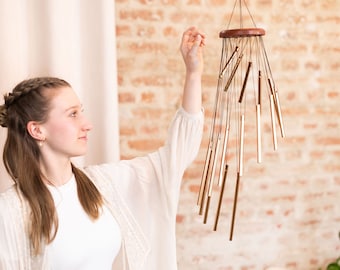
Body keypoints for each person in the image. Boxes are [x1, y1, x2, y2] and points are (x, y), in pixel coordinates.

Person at [0, 26, 206, 270]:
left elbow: (175, 156)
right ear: (37, 130)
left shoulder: (104, 185)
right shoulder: (10, 211)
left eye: (81, 112)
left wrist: (193, 74)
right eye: (72, 114)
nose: (87, 125)